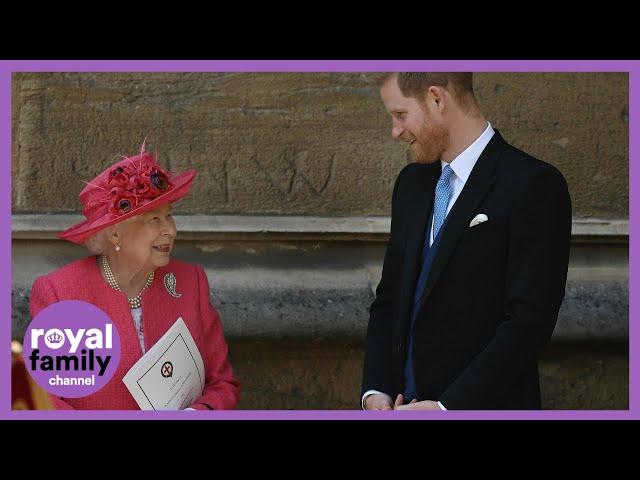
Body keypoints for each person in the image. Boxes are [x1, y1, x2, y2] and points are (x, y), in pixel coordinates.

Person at [361, 73, 572, 410]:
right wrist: (375, 392)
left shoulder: (533, 185)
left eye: (400, 115)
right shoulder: (411, 184)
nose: (395, 131)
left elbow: (528, 323)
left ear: (437, 99)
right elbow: (390, 300)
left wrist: (447, 408)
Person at [30, 142, 240, 410]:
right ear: (115, 233)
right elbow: (45, 398)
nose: (171, 231)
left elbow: (222, 385)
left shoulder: (190, 282)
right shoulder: (60, 293)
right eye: (154, 220)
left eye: (170, 217)